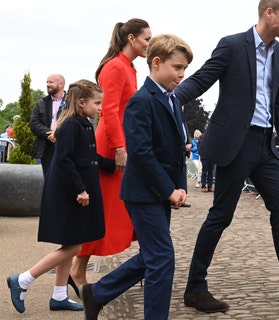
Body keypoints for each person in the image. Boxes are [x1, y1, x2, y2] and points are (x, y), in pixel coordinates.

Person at [175, 0, 279, 312]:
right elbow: (201, 79)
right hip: (236, 142)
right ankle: (195, 287)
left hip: (265, 145)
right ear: (269, 13)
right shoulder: (233, 45)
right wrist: (167, 99)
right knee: (221, 215)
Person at [80, 34, 192, 320]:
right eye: (177, 67)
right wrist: (169, 190)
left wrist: (180, 186)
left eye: (184, 69)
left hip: (159, 193)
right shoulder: (142, 101)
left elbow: (177, 149)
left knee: (152, 256)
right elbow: (141, 154)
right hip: (143, 194)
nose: (181, 75)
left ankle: (98, 293)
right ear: (156, 63)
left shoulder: (171, 99)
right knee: (162, 259)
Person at [7, 80, 114, 314]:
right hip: (69, 195)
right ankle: (23, 280)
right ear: (82, 102)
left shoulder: (82, 124)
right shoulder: (71, 126)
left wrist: (114, 164)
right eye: (97, 103)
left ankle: (58, 296)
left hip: (72, 193)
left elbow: (90, 157)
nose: (100, 108)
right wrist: (80, 190)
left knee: (71, 242)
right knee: (74, 246)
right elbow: (64, 161)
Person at [70, 18, 152, 289]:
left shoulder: (128, 67)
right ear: (131, 39)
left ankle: (148, 263)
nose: (149, 45)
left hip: (121, 143)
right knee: (103, 212)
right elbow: (110, 111)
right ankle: (77, 270)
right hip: (111, 145)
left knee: (120, 209)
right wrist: (118, 148)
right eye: (146, 39)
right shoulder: (115, 67)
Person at [29, 74, 66, 178]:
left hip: (66, 144)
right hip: (47, 146)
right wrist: (50, 134)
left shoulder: (71, 102)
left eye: (51, 82)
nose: (48, 84)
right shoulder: (41, 103)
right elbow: (34, 123)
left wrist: (58, 134)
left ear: (61, 84)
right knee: (49, 178)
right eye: (47, 82)